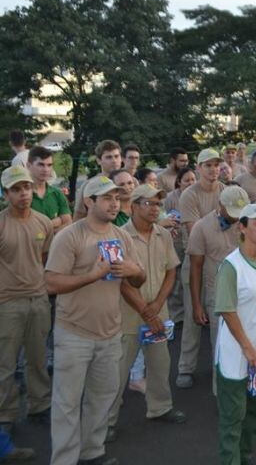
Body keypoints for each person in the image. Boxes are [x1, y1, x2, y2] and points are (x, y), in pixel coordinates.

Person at [45, 175, 145, 465]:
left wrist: (131, 269)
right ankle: (63, 459)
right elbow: (50, 283)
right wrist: (92, 275)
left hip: (109, 333)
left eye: (117, 198)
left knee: (101, 398)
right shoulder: (70, 236)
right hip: (74, 332)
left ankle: (92, 453)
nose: (115, 203)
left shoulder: (122, 236)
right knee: (67, 403)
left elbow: (139, 279)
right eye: (107, 198)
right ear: (89, 201)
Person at [107, 184, 186, 442]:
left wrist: (157, 306)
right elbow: (119, 281)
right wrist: (145, 310)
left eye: (157, 204)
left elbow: (171, 270)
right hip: (129, 311)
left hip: (157, 309)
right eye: (149, 204)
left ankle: (160, 407)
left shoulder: (163, 234)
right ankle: (106, 421)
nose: (155, 209)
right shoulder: (120, 236)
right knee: (119, 368)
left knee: (160, 362)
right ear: (134, 207)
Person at [214, 202, 256, 465]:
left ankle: (245, 456)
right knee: (233, 414)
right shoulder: (231, 265)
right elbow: (227, 311)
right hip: (237, 350)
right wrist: (248, 349)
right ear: (242, 228)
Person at [0, 167, 54, 451]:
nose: (23, 194)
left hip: (38, 299)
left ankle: (39, 405)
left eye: (27, 188)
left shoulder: (44, 222)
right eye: (16, 189)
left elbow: (43, 258)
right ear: (6, 194)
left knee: (37, 358)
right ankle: (5, 415)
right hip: (7, 303)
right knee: (5, 364)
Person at [177, 185, 249, 390]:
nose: (236, 218)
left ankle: (251, 388)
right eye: (232, 213)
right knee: (221, 343)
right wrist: (197, 304)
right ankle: (221, 391)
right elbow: (196, 267)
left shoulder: (248, 222)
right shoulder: (202, 227)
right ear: (220, 206)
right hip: (216, 290)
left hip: (243, 290)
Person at [164, 166, 195, 323]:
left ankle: (192, 311)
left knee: (191, 280)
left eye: (193, 179)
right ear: (179, 182)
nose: (190, 183)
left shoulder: (196, 195)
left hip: (192, 242)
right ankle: (177, 315)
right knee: (176, 280)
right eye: (187, 180)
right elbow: (164, 218)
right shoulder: (171, 197)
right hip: (175, 242)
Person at [73, 139, 123, 220]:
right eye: (109, 157)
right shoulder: (89, 185)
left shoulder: (131, 182)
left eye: (117, 156)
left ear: (121, 158)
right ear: (99, 160)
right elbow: (79, 215)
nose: (114, 160)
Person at [27, 146, 71, 233]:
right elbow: (26, 228)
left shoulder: (57, 193)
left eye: (49, 165)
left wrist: (43, 229)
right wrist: (53, 223)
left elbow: (68, 223)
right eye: (41, 164)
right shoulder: (23, 195)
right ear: (29, 165)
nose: (46, 169)